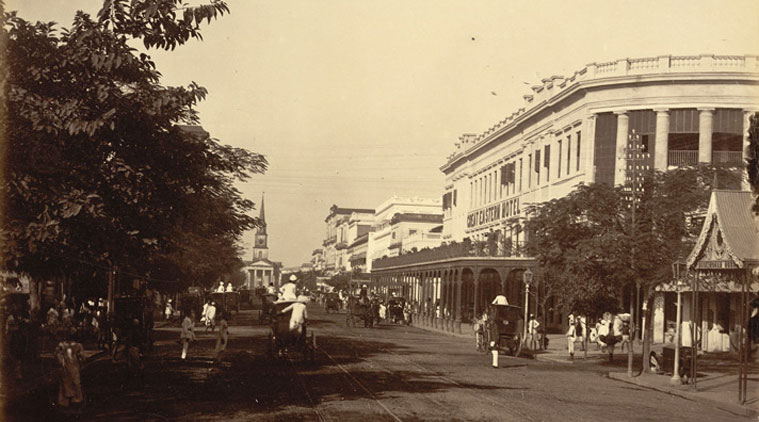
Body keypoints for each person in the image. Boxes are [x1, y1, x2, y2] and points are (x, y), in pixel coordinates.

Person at [55, 334, 85, 408]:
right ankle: (76, 399)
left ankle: (65, 401)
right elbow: (82, 357)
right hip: (73, 365)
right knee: (75, 381)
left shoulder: (62, 345)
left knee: (66, 381)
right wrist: (81, 362)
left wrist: (61, 362)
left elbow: (57, 354)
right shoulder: (78, 345)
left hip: (66, 365)